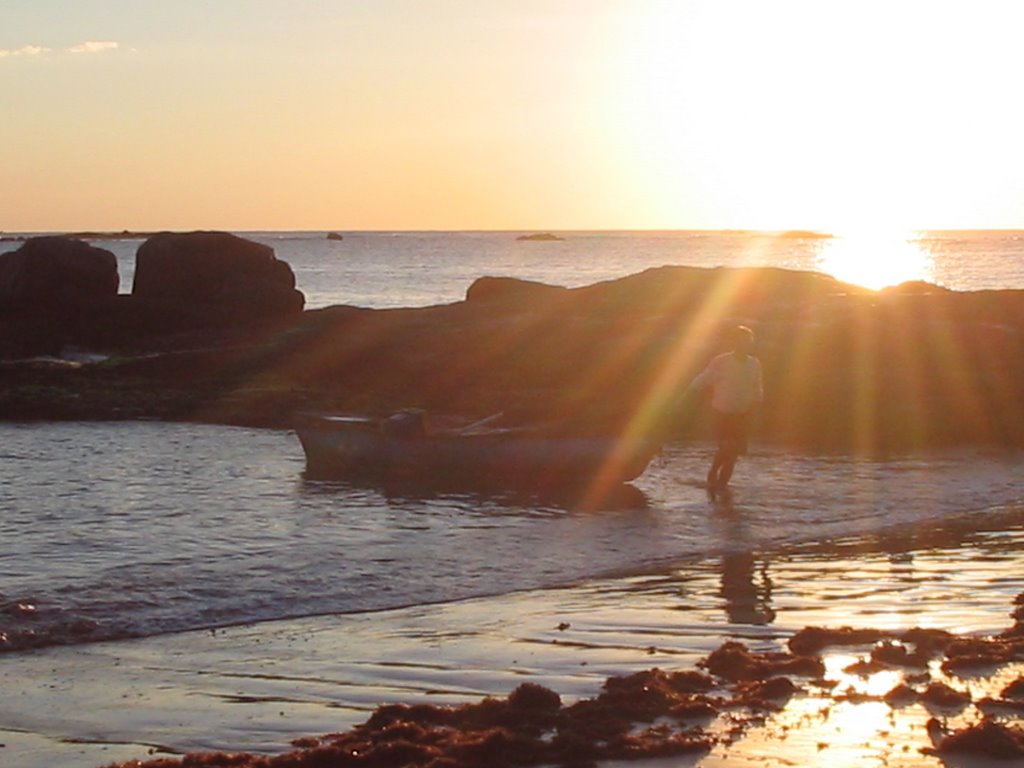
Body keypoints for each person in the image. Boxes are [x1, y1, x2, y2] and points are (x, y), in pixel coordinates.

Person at [686, 325, 763, 492]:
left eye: (747, 342)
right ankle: (715, 477)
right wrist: (690, 390)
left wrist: (757, 405)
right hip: (721, 412)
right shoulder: (721, 361)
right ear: (733, 343)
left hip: (742, 413)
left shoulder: (754, 363)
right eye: (740, 341)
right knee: (729, 448)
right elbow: (705, 377)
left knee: (733, 454)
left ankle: (721, 485)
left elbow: (757, 387)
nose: (744, 345)